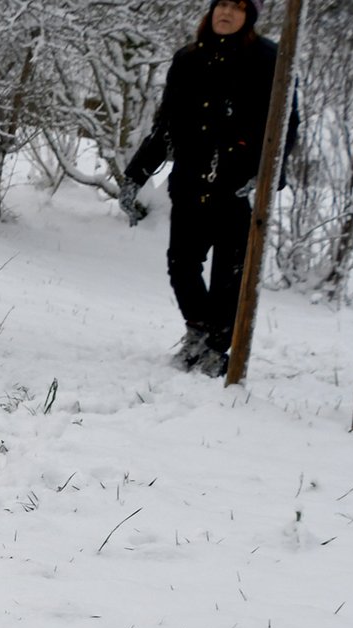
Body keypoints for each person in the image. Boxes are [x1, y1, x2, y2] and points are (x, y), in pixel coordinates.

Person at [120, 0, 296, 377]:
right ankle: (199, 333)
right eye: (221, 4)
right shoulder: (188, 59)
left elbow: (286, 127)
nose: (226, 13)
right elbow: (165, 126)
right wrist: (135, 176)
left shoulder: (269, 60)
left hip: (238, 189)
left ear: (249, 15)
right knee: (181, 266)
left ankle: (217, 348)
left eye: (237, 6)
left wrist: (265, 179)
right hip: (189, 182)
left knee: (229, 277)